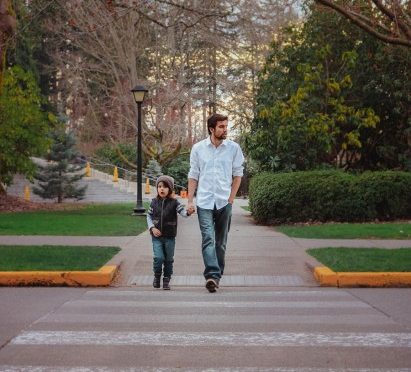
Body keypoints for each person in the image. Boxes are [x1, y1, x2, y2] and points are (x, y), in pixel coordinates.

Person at [187, 113, 244, 293]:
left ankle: (216, 276)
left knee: (220, 242)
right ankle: (211, 275)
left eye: (226, 126)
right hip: (204, 201)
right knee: (208, 238)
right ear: (212, 129)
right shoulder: (198, 148)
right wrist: (190, 201)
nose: (225, 129)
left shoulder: (233, 148)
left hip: (223, 201)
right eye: (221, 127)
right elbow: (193, 175)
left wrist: (231, 199)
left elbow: (238, 175)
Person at [147, 175, 193, 290]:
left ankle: (166, 280)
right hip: (156, 237)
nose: (162, 189)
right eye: (160, 186)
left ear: (170, 189)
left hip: (169, 237)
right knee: (158, 258)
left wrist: (188, 212)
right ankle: (157, 277)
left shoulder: (174, 203)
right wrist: (152, 228)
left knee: (168, 259)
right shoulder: (153, 202)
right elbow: (149, 216)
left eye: (165, 187)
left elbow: (182, 212)